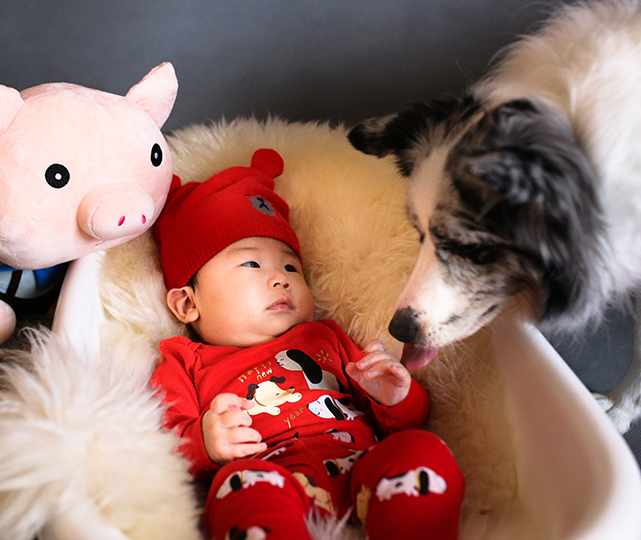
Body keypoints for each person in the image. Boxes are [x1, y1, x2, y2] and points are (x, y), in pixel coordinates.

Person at [150, 149, 464, 540]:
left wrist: (394, 397)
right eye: (251, 265)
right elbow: (163, 442)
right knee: (243, 486)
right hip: (269, 475)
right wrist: (206, 441)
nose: (280, 279)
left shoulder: (325, 336)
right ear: (187, 303)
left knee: (420, 450)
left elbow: (404, 423)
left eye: (290, 267)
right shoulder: (184, 361)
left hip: (362, 469)